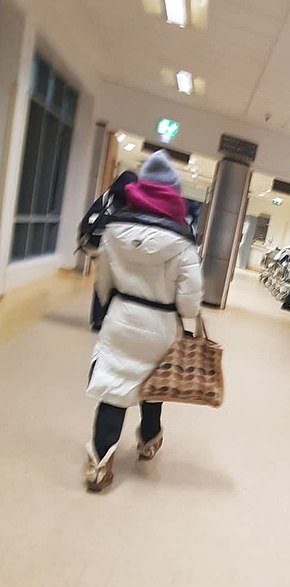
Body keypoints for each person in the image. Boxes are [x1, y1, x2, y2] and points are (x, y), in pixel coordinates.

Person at [84, 150, 203, 492]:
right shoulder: (183, 241)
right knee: (154, 382)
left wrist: (112, 306)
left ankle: (99, 461)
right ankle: (149, 439)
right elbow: (190, 300)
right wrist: (183, 314)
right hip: (160, 323)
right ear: (174, 193)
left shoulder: (115, 229)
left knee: (113, 384)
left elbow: (102, 282)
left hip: (121, 316)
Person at [77, 170, 138, 331]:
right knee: (114, 284)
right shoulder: (130, 201)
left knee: (102, 281)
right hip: (116, 248)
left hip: (101, 246)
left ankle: (97, 319)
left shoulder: (107, 197)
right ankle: (106, 318)